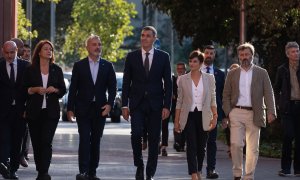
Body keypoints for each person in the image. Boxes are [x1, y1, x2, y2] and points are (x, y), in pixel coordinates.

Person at [122, 26, 172, 180]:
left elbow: (168, 83)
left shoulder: (163, 57)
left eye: (148, 36)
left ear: (154, 38)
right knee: (136, 134)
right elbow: (126, 82)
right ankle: (139, 165)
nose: (144, 38)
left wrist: (166, 106)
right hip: (137, 103)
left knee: (154, 138)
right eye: (142, 35)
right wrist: (125, 105)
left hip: (156, 104)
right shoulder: (131, 57)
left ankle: (150, 172)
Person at [222, 42, 276, 180]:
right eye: (241, 55)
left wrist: (271, 111)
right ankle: (237, 173)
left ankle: (248, 176)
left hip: (255, 113)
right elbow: (226, 94)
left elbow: (268, 93)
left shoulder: (261, 72)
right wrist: (229, 112)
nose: (244, 57)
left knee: (252, 148)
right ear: (239, 57)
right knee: (236, 144)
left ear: (252, 55)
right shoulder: (232, 73)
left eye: (246, 54)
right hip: (236, 112)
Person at [67, 34, 116, 180]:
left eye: (99, 44)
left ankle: (92, 172)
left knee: (95, 140)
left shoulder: (107, 66)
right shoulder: (79, 65)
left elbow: (112, 88)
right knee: (84, 138)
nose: (97, 47)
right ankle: (83, 171)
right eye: (94, 44)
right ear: (87, 47)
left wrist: (109, 105)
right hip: (83, 109)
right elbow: (73, 89)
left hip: (100, 110)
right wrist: (70, 108)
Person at [23, 40, 66, 180]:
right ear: (39, 52)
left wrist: (55, 89)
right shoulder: (30, 69)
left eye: (51, 49)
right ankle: (40, 169)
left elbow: (63, 90)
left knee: (46, 141)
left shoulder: (56, 69)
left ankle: (44, 172)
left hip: (51, 112)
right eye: (46, 49)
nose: (49, 51)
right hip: (34, 112)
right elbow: (24, 90)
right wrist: (35, 89)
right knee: (36, 142)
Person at [174, 50, 217, 180]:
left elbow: (212, 99)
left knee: (201, 146)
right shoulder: (182, 79)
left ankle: (198, 170)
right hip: (189, 116)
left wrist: (215, 116)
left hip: (204, 115)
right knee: (191, 145)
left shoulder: (209, 78)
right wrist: (176, 121)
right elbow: (179, 101)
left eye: (195, 61)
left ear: (201, 63)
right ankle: (193, 173)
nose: (191, 64)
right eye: (190, 61)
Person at [0, 41, 29, 179]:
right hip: (3, 111)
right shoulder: (0, 65)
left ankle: (13, 170)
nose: (9, 55)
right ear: (2, 51)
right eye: (6, 52)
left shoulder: (26, 66)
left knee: (17, 141)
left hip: (20, 111)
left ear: (17, 50)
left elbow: (30, 90)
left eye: (12, 52)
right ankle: (4, 164)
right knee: (4, 139)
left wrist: (27, 108)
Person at [274, 41, 300, 177]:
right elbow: (276, 88)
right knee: (288, 136)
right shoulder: (282, 69)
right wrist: (279, 104)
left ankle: (298, 169)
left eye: (297, 51)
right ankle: (285, 168)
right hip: (288, 108)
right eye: (293, 52)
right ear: (287, 54)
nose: (296, 53)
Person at [201, 45, 225, 179]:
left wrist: (223, 116)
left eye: (211, 53)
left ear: (214, 55)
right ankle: (197, 169)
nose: (209, 55)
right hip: (197, 112)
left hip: (213, 114)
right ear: (203, 54)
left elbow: (222, 96)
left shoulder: (220, 74)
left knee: (211, 142)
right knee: (199, 142)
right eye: (207, 53)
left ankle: (211, 169)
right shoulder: (195, 71)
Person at [221, 63, 240, 158]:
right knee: (229, 131)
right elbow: (224, 97)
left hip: (240, 110)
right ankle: (231, 148)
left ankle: (238, 149)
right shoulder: (226, 83)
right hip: (229, 110)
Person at [20, 43, 31, 168]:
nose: (27, 53)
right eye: (25, 51)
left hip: (27, 103)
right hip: (15, 102)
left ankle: (23, 154)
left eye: (29, 51)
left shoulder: (31, 66)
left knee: (25, 130)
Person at [172, 62, 187, 152]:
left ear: (185, 70)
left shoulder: (189, 79)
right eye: (178, 69)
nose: (180, 70)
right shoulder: (173, 80)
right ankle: (177, 143)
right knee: (176, 124)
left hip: (186, 107)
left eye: (182, 68)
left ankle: (182, 144)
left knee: (184, 126)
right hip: (175, 107)